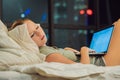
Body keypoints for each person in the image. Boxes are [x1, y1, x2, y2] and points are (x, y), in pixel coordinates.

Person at [9, 18, 112, 66]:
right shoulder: (46, 54)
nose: (40, 33)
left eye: (37, 27)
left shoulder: (47, 49)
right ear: (26, 41)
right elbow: (83, 69)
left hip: (98, 58)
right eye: (32, 35)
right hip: (101, 62)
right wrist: (83, 50)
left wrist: (72, 52)